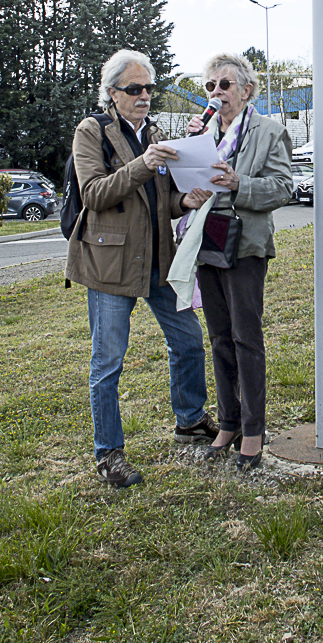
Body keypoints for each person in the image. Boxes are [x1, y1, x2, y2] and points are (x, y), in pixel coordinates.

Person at [65, 49, 218, 488]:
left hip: (158, 259)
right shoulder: (90, 131)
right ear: (112, 93)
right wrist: (143, 163)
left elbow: (159, 200)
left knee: (188, 342)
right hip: (109, 265)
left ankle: (189, 420)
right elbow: (94, 193)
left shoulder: (152, 132)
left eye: (149, 87)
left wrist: (182, 201)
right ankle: (108, 454)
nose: (145, 95)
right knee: (107, 362)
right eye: (135, 89)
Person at [186, 53, 293, 471]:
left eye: (225, 85)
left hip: (245, 244)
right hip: (206, 240)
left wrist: (238, 183)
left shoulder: (269, 131)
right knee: (218, 338)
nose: (216, 93)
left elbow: (283, 187)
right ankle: (227, 422)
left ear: (247, 91)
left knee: (246, 338)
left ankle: (253, 430)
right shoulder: (203, 132)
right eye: (211, 86)